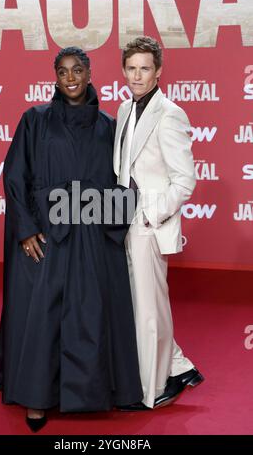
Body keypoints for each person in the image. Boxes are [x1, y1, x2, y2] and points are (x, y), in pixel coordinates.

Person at [0, 47, 143, 431]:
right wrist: (25, 228)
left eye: (78, 70)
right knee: (42, 317)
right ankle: (36, 399)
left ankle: (94, 394)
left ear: (90, 73)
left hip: (93, 234)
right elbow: (15, 177)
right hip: (46, 233)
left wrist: (114, 229)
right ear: (55, 77)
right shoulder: (35, 120)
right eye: (63, 72)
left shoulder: (109, 126)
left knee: (89, 315)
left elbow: (122, 181)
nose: (71, 78)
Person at [114, 36, 204, 410]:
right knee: (140, 304)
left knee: (149, 309)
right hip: (122, 221)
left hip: (149, 224)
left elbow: (185, 180)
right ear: (124, 70)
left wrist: (151, 217)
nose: (137, 76)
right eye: (131, 68)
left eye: (144, 69)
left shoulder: (170, 113)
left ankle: (151, 391)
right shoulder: (123, 108)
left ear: (158, 71)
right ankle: (180, 366)